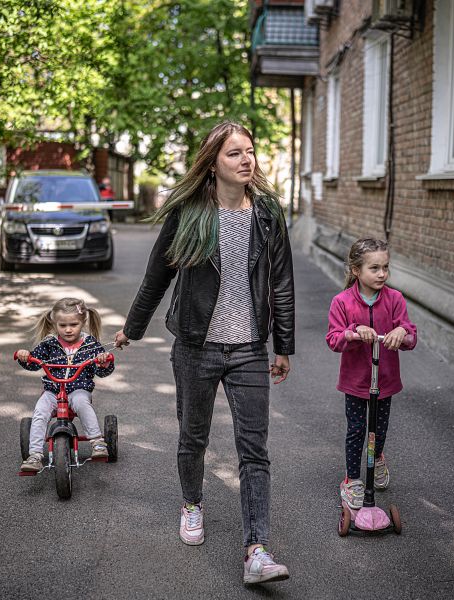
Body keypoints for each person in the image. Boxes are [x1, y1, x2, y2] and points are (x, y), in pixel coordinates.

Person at [114, 121, 294, 585]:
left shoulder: (268, 213)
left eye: (250, 151)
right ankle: (192, 503)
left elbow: (282, 284)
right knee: (193, 437)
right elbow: (158, 276)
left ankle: (257, 549)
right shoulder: (189, 213)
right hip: (196, 346)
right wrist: (131, 329)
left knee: (254, 449)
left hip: (249, 349)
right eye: (234, 153)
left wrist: (284, 347)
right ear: (213, 163)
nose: (246, 160)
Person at [325, 238, 417, 510]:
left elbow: (410, 336)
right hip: (355, 381)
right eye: (374, 268)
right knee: (356, 430)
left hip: (385, 381)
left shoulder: (395, 299)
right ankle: (352, 479)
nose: (381, 274)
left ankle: (376, 459)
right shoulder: (342, 302)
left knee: (378, 429)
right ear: (356, 270)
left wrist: (402, 332)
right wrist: (353, 332)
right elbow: (333, 339)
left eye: (385, 268)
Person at [16, 297, 115, 472]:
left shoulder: (90, 344)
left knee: (81, 403)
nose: (68, 330)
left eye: (73, 325)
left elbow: (103, 371)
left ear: (83, 322)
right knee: (39, 412)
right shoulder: (49, 343)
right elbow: (33, 362)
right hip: (52, 391)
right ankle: (35, 455)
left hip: (79, 389)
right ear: (55, 324)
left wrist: (103, 361)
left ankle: (97, 442)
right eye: (62, 326)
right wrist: (25, 356)